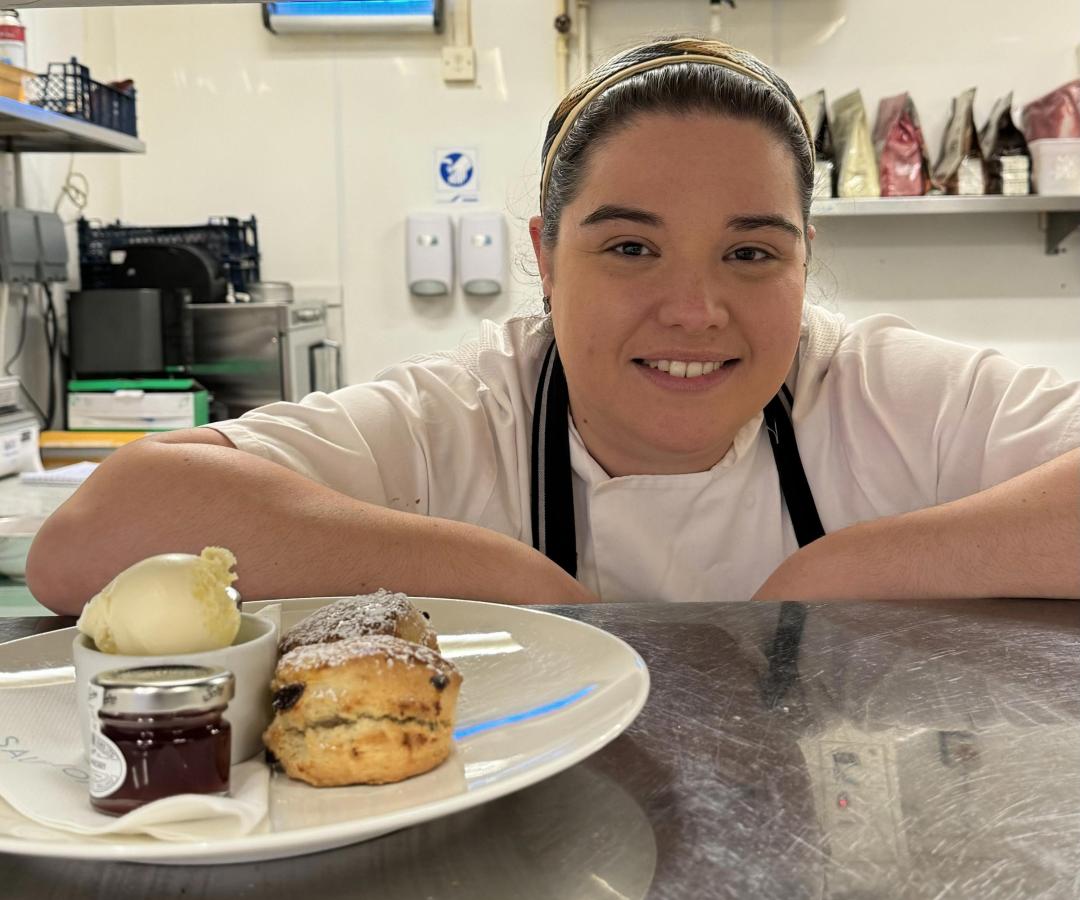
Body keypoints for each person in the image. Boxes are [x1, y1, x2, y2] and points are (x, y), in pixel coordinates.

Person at [27, 38, 1080, 616]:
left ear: (807, 259)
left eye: (752, 252)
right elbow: (93, 539)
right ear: (542, 255)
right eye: (630, 248)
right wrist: (525, 589)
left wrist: (838, 573)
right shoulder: (458, 422)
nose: (696, 310)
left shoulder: (876, 389)